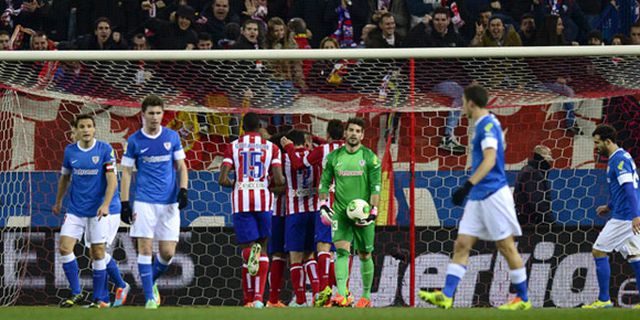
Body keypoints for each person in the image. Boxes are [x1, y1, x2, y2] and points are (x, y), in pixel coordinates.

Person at [419, 85, 531, 310]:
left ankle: (523, 299)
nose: (461, 106)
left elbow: (490, 160)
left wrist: (467, 185)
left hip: (492, 193)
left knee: (506, 246)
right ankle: (447, 295)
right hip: (478, 196)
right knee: (462, 244)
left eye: (462, 101)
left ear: (470, 102)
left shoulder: (487, 124)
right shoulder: (486, 123)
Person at [120, 95, 189, 309]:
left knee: (168, 253)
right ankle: (150, 298)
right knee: (145, 249)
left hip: (168, 203)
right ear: (143, 115)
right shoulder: (134, 141)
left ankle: (151, 282)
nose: (155, 117)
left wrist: (184, 189)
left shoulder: (172, 136)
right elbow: (126, 172)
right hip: (144, 201)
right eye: (151, 113)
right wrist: (124, 202)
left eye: (159, 113)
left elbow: (182, 166)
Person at [218, 112, 285, 308]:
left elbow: (222, 179)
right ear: (260, 127)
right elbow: (280, 180)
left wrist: (238, 184)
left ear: (243, 128)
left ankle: (248, 300)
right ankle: (258, 299)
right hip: (264, 202)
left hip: (242, 201)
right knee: (262, 249)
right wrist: (264, 186)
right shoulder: (271, 148)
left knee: (248, 250)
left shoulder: (233, 146)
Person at [52, 114, 118, 308]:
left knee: (98, 252)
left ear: (94, 129)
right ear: (76, 130)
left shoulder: (105, 149)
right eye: (82, 126)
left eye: (89, 126)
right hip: (75, 210)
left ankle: (98, 298)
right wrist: (58, 202)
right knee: (64, 247)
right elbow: (64, 178)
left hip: (97, 210)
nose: (86, 130)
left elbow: (112, 179)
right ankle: (76, 292)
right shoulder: (70, 151)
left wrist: (105, 204)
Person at [318, 117, 381, 308]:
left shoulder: (370, 157)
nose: (353, 133)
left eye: (357, 131)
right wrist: (323, 205)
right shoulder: (333, 157)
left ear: (362, 135)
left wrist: (374, 211)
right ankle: (343, 294)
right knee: (342, 253)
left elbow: (375, 187)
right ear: (345, 133)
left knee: (364, 255)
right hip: (340, 212)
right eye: (351, 130)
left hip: (363, 214)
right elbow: (324, 182)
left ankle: (366, 296)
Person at [281, 119, 344, 306]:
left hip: (304, 210)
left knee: (302, 255)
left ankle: (305, 299)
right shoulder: (350, 150)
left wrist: (289, 148)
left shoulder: (307, 154)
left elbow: (298, 165)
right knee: (338, 251)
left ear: (328, 134)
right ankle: (338, 292)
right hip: (343, 205)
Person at [582, 125, 640, 309]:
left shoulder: (618, 160)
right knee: (635, 257)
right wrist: (609, 206)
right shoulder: (622, 156)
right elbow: (621, 191)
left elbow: (629, 188)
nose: (596, 146)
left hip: (625, 218)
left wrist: (636, 216)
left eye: (597, 142)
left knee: (599, 251)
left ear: (608, 141)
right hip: (627, 214)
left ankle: (604, 300)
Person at [278, 130, 320, 307]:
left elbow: (278, 180)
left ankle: (301, 300)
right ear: (305, 142)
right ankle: (319, 295)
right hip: (314, 211)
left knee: (295, 257)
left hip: (295, 212)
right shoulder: (314, 156)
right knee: (310, 255)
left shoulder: (285, 157)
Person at [514, 145, 554, 225]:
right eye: (549, 161)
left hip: (526, 221)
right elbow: (537, 202)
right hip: (531, 224)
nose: (551, 165)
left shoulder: (527, 170)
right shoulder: (533, 174)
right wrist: (550, 222)